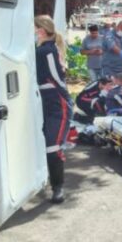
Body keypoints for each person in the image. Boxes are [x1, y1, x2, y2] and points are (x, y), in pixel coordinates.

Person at [35, 15, 73, 204]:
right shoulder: (42, 49)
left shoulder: (47, 51)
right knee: (45, 145)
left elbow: (58, 79)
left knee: (53, 147)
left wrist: (66, 100)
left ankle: (58, 188)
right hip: (44, 102)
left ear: (41, 31)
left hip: (56, 104)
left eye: (34, 29)